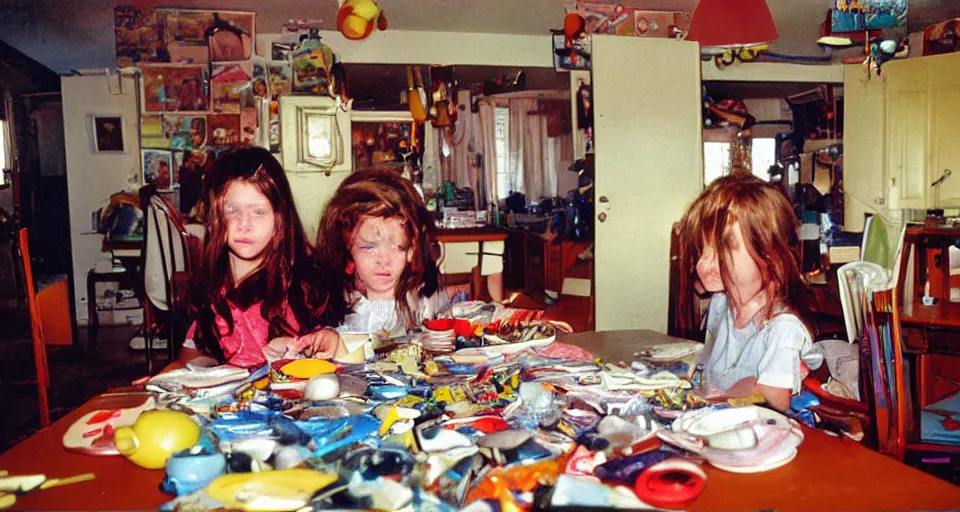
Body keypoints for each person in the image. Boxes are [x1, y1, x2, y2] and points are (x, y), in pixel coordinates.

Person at [180, 147, 348, 368]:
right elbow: (194, 353)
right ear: (213, 216)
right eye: (232, 210)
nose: (244, 225)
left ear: (280, 218)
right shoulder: (212, 285)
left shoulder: (301, 290)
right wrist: (175, 377)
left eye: (258, 212)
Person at [677, 174, 822, 412]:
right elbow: (712, 366)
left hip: (769, 432)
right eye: (702, 248)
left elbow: (773, 402)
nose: (703, 264)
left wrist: (727, 396)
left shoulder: (782, 328)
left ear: (770, 256)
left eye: (722, 248)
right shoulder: (722, 303)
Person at [315, 168, 450, 338]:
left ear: (411, 248)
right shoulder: (333, 303)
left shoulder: (425, 303)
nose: (384, 260)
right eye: (368, 247)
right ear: (346, 248)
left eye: (398, 247)